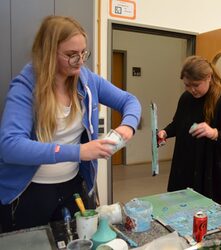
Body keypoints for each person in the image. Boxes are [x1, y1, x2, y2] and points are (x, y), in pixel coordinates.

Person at [0, 15, 141, 232]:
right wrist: (78, 152)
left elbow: (129, 101)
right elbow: (10, 146)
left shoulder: (87, 80)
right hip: (31, 193)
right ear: (48, 52)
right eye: (71, 55)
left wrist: (128, 125)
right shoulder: (25, 87)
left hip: (74, 186)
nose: (80, 61)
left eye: (83, 53)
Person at [157, 55, 221, 204]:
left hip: (208, 175)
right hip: (183, 170)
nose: (191, 90)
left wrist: (213, 133)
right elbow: (178, 124)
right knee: (179, 212)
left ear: (208, 77)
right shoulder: (186, 98)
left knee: (203, 219)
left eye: (196, 85)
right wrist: (165, 132)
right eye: (187, 85)